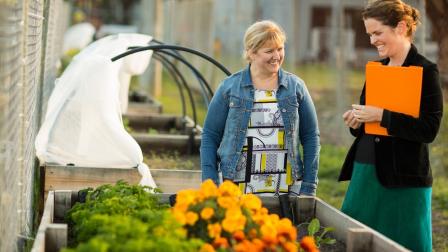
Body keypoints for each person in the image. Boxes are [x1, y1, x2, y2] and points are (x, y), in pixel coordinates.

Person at [339, 1, 444, 251]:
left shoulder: (426, 71)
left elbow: (429, 129)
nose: (373, 40)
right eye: (370, 34)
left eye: (377, 33)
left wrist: (382, 116)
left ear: (401, 27)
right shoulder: (377, 69)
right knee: (353, 241)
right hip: (366, 170)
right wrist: (356, 122)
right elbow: (366, 121)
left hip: (405, 177)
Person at [200, 20, 320, 196]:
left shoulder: (295, 88)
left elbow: (310, 137)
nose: (277, 56)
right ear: (251, 53)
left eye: (280, 49)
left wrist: (309, 186)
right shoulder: (230, 88)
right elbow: (210, 137)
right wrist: (210, 183)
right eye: (269, 51)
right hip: (236, 187)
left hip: (286, 187)